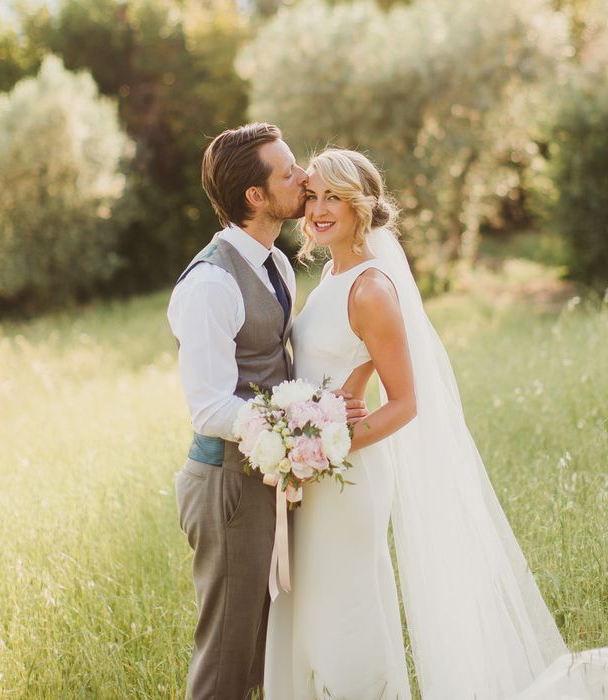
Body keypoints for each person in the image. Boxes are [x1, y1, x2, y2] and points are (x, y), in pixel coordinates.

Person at [264, 148, 608, 699]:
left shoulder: (372, 289)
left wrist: (331, 445)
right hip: (317, 472)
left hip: (347, 475)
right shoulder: (333, 272)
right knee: (318, 602)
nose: (319, 209)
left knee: (348, 606)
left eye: (334, 196)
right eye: (313, 196)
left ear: (361, 205)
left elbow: (404, 402)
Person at [168, 124, 367, 700]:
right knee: (226, 660)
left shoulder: (276, 264)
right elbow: (207, 408)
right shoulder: (210, 283)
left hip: (267, 477)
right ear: (256, 197)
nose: (305, 177)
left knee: (262, 649)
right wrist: (294, 429)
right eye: (288, 173)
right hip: (225, 484)